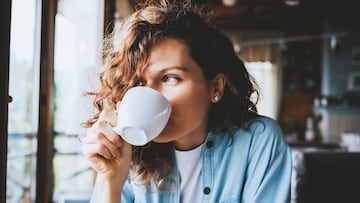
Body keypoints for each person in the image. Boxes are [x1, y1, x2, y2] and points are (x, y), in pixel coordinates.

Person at [80, 0, 292, 202]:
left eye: (170, 78)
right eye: (139, 82)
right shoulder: (130, 151)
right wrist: (110, 181)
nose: (150, 94)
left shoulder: (258, 141)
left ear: (215, 87)